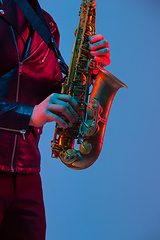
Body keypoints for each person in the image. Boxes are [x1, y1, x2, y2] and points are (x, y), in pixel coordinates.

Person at [0, 0, 110, 239]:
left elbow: (53, 93)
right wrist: (29, 115)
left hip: (27, 174)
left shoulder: (46, 23)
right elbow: (35, 109)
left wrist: (89, 70)